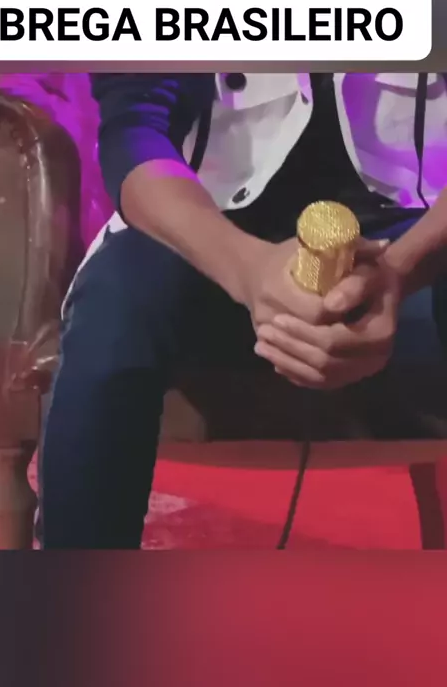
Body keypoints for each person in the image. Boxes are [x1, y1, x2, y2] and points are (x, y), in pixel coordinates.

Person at [40, 72, 447, 549]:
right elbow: (134, 132)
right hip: (207, 230)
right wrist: (248, 270)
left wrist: (400, 270)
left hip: (414, 235)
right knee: (113, 309)